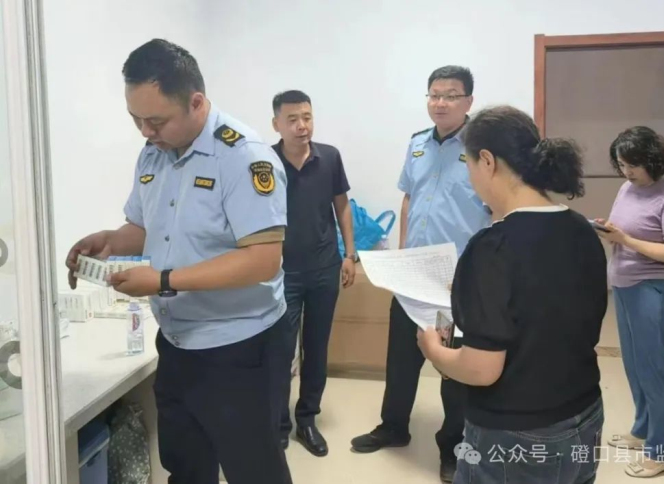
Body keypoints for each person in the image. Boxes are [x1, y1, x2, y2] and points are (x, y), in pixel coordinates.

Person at [65, 39, 292, 484]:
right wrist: (110, 241)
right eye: (136, 119)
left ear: (196, 102)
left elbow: (263, 260)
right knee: (186, 467)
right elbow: (148, 226)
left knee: (255, 471)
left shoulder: (243, 157)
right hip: (177, 343)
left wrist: (163, 280)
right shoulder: (154, 152)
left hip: (239, 347)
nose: (145, 131)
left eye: (156, 121)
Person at [418, 105, 607, 484]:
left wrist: (432, 350)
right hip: (585, 414)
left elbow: (481, 370)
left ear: (487, 161)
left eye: (469, 165)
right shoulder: (581, 229)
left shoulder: (492, 247)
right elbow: (547, 300)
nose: (470, 176)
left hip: (516, 431)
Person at [350, 65, 490, 483]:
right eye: (434, 94)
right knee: (401, 358)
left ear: (468, 101)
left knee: (452, 366)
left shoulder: (483, 149)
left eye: (451, 95)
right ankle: (393, 426)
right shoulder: (416, 145)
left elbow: (494, 211)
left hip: (454, 282)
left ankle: (452, 445)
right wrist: (402, 255)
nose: (440, 103)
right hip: (413, 277)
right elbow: (409, 199)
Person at [596, 126, 664, 478]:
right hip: (624, 285)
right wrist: (611, 233)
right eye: (621, 164)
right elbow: (625, 230)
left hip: (656, 290)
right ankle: (642, 430)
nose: (626, 172)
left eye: (632, 165)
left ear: (652, 160)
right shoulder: (627, 188)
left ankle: (660, 449)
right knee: (635, 366)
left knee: (654, 370)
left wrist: (625, 239)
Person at [271, 90, 356, 457]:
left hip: (324, 267)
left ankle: (307, 419)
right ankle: (278, 424)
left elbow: (342, 207)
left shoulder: (330, 157)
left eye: (306, 117)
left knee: (316, 347)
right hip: (281, 273)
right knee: (280, 350)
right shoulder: (264, 162)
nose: (301, 125)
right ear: (276, 124)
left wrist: (349, 254)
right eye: (292, 119)